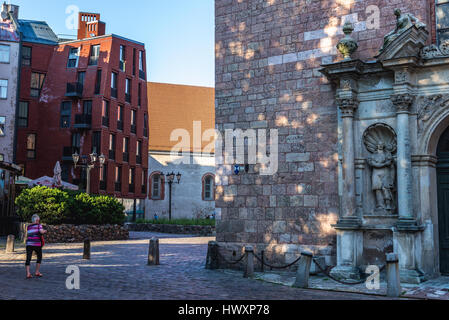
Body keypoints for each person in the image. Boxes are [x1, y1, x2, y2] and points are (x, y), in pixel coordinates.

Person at [25, 214, 47, 279]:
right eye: (38, 220)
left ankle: (28, 273)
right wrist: (45, 231)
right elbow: (41, 231)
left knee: (28, 258)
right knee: (39, 257)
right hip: (36, 244)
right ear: (37, 220)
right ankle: (37, 272)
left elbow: (30, 234)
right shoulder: (39, 225)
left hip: (29, 244)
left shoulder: (28, 226)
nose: (39, 221)